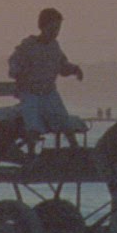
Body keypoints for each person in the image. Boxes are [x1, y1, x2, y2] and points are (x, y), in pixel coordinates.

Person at [9, 8, 86, 145]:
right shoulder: (29, 45)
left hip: (49, 92)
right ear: (42, 27)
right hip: (30, 92)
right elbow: (14, 62)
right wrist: (19, 75)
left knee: (64, 121)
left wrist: (75, 70)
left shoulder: (54, 47)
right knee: (33, 125)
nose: (55, 32)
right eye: (52, 28)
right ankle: (31, 152)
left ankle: (75, 149)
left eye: (58, 29)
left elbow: (62, 66)